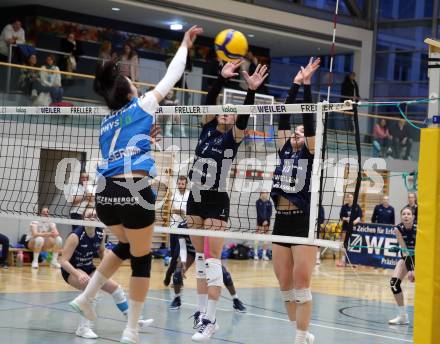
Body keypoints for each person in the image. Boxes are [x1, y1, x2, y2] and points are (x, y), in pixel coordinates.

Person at [68, 25, 203, 344]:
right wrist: (184, 45)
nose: (136, 84)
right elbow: (172, 76)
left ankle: (87, 297)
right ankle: (130, 330)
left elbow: (122, 151)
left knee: (127, 247)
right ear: (128, 90)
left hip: (105, 195)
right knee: (141, 260)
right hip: (133, 192)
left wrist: (146, 141)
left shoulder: (106, 121)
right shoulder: (140, 105)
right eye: (133, 82)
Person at [186, 60, 268, 341]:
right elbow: (209, 101)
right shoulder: (207, 129)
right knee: (198, 260)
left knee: (212, 260)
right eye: (223, 111)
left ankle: (211, 319)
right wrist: (220, 78)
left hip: (216, 199)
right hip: (195, 197)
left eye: (230, 113)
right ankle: (201, 315)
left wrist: (250, 91)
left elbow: (244, 115)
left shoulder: (232, 140)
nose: (225, 113)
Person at [270, 57, 320, 344]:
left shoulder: (311, 153)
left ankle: (300, 337)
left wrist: (308, 87)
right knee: (284, 285)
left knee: (302, 286)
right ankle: (301, 331)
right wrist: (294, 85)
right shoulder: (284, 150)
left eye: (301, 132)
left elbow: (309, 123)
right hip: (281, 220)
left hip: (302, 222)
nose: (296, 134)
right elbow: (284, 118)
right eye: (295, 132)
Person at [60, 208, 153, 339]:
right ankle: (83, 328)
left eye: (94, 215)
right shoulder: (75, 236)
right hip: (71, 270)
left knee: (116, 289)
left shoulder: (100, 233)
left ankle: (134, 322)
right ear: (83, 218)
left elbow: (102, 251)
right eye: (88, 215)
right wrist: (77, 274)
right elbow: (63, 261)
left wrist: (107, 269)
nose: (91, 217)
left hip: (88, 268)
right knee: (90, 287)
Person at [169, 228, 247, 313]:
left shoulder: (208, 224)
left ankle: (236, 300)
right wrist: (183, 262)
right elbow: (183, 247)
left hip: (205, 253)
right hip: (190, 253)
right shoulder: (183, 226)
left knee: (224, 274)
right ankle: (177, 298)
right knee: (177, 273)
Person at [388, 207, 416, 325]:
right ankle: (403, 316)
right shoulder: (398, 229)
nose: (406, 216)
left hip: (423, 257)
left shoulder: (419, 228)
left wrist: (414, 269)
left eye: (408, 214)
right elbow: (404, 251)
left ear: (413, 217)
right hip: (407, 257)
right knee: (394, 284)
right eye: (403, 214)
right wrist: (411, 269)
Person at [163, 175, 190, 286]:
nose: (180, 186)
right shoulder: (174, 196)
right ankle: (178, 279)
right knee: (174, 254)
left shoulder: (190, 196)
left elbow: (187, 214)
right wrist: (178, 212)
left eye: (182, 184)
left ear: (186, 184)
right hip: (173, 228)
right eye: (179, 184)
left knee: (177, 255)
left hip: (184, 229)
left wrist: (182, 213)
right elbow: (172, 211)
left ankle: (170, 274)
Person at [337, 193, 362, 267]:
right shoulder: (344, 207)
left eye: (351, 197)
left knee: (353, 244)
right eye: (349, 197)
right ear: (347, 199)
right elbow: (341, 217)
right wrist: (346, 219)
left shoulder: (357, 206)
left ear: (353, 198)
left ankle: (353, 261)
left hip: (354, 228)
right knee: (344, 243)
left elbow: (359, 217)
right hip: (345, 228)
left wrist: (354, 221)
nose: (350, 198)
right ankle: (343, 260)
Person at [254, 191, 272, 261]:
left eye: (266, 193)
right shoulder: (258, 202)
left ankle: (264, 255)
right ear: (261, 194)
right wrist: (263, 220)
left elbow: (270, 213)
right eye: (264, 193)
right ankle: (256, 254)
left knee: (266, 238)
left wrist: (266, 220)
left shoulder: (269, 203)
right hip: (260, 221)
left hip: (267, 222)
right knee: (257, 237)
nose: (265, 194)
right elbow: (259, 212)